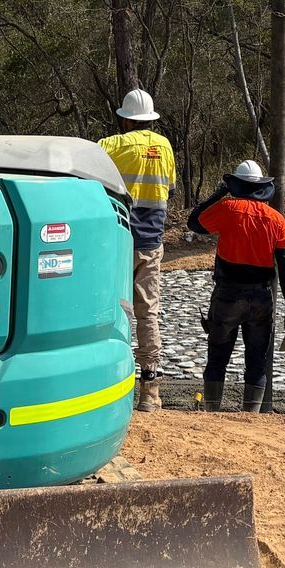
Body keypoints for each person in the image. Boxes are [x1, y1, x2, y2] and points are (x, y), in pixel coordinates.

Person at [187, 159, 285, 412]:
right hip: (261, 297)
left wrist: (219, 193)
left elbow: (194, 222)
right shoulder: (276, 219)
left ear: (236, 185)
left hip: (227, 294)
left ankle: (213, 411)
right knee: (257, 360)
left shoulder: (227, 208)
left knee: (218, 356)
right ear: (261, 187)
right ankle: (252, 416)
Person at [98, 88, 174, 412]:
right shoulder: (166, 147)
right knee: (148, 313)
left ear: (125, 119)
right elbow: (168, 190)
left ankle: (111, 386)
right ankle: (150, 391)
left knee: (114, 310)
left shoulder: (113, 144)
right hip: (151, 242)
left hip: (119, 240)